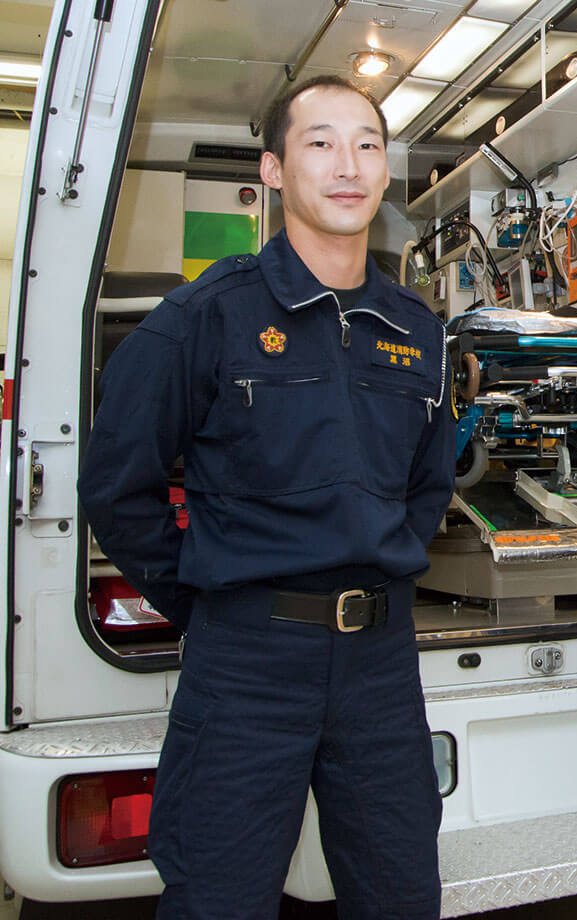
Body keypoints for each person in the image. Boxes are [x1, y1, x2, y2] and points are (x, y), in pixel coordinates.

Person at [79, 75, 453, 919]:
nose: (347, 165)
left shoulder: (416, 329)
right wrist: (211, 596)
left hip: (380, 671)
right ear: (275, 170)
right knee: (219, 899)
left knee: (401, 895)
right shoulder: (208, 315)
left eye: (366, 144)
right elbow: (115, 480)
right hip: (247, 669)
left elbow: (428, 486)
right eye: (320, 143)